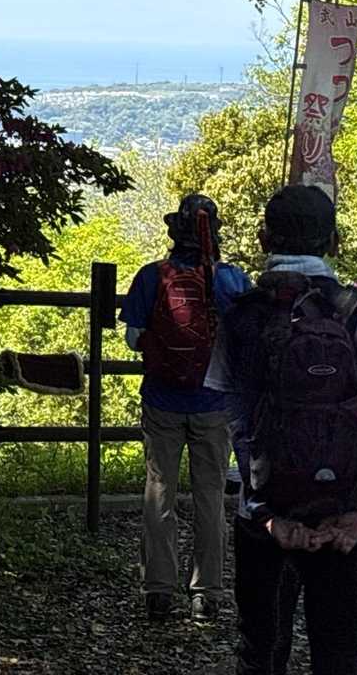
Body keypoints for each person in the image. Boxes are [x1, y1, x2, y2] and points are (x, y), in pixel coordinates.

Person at [224, 184, 357, 675]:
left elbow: (235, 418)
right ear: (334, 241)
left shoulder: (245, 316)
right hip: (346, 512)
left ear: (264, 239)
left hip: (268, 515)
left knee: (260, 648)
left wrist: (265, 513)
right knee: (341, 649)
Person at [120, 193, 251, 623]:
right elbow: (247, 341)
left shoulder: (152, 276)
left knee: (159, 490)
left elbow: (133, 338)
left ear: (174, 230)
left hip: (162, 400)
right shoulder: (232, 279)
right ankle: (206, 593)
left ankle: (158, 590)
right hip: (214, 403)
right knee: (210, 495)